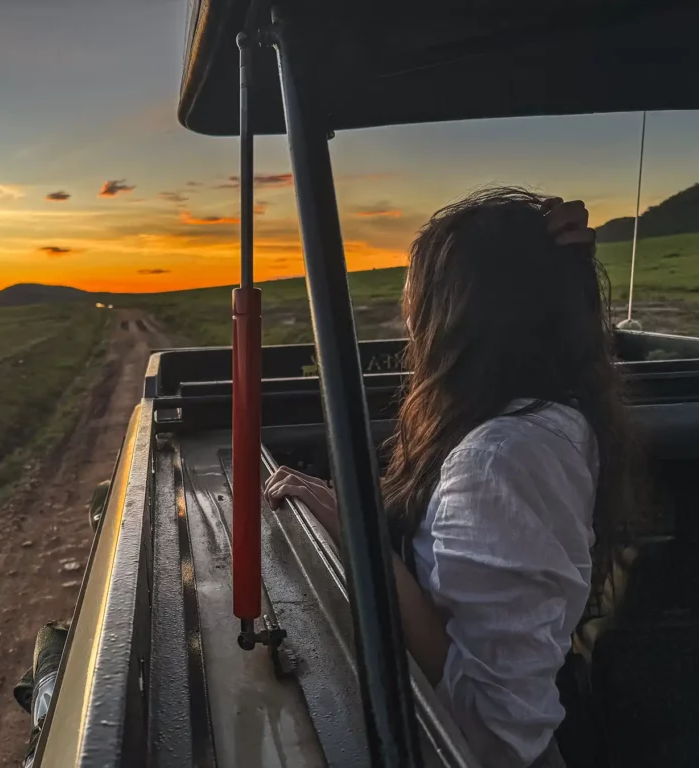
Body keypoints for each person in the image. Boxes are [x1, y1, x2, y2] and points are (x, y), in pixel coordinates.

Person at [263, 188, 640, 768]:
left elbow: (492, 732)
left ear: (462, 314)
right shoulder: (546, 417)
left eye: (417, 300)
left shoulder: (500, 458)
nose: (408, 319)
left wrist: (361, 546)